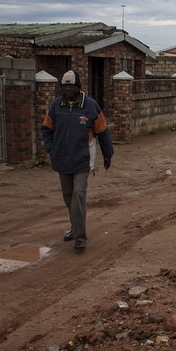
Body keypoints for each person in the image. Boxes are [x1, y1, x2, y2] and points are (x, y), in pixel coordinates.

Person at [42, 70, 114, 251]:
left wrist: (108, 154)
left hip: (83, 160)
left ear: (78, 86)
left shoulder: (90, 106)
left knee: (78, 195)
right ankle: (74, 228)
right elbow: (46, 129)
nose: (67, 89)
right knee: (68, 197)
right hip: (62, 162)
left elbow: (103, 131)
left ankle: (80, 238)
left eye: (71, 86)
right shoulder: (56, 106)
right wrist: (51, 149)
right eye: (64, 86)